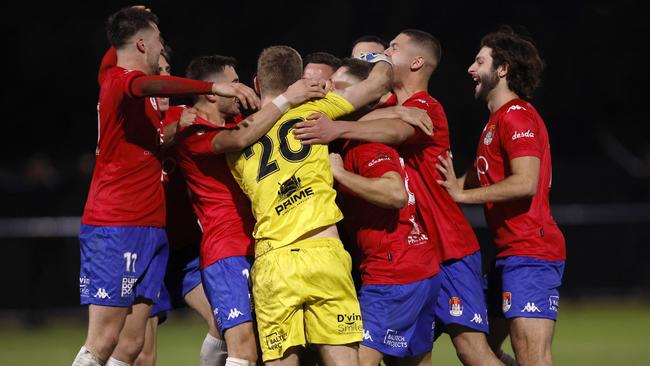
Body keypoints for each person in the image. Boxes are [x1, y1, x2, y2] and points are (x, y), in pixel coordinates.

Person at [293, 29, 504, 366]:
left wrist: (337, 129)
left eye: (393, 47)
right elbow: (368, 114)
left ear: (417, 61)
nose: (385, 53)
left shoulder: (425, 107)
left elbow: (394, 132)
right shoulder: (394, 106)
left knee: (471, 351)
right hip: (413, 251)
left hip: (448, 247)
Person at [74, 7, 259, 366]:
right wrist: (211, 87)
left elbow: (127, 46)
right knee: (104, 340)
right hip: (117, 225)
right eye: (158, 40)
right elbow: (143, 79)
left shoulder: (156, 111)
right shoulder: (119, 81)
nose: (164, 50)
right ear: (142, 44)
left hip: (153, 231)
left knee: (130, 347)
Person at [227, 45, 393, 365]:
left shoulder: (235, 140)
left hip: (274, 261)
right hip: (323, 251)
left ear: (258, 84)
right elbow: (379, 84)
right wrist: (382, 56)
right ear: (299, 83)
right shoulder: (315, 112)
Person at [171, 54, 328, 366]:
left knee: (258, 343)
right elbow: (241, 137)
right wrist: (286, 99)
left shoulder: (238, 121)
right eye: (233, 83)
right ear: (212, 92)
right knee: (242, 347)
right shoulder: (194, 134)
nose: (240, 89)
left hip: (260, 245)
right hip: (225, 251)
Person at [436, 26, 566, 366]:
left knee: (532, 357)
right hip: (508, 255)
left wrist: (461, 198)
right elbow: (466, 182)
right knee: (477, 351)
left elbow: (525, 183)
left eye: (479, 61)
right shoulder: (494, 124)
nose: (470, 69)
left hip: (531, 254)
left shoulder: (517, 115)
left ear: (503, 69)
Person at [328, 60, 441, 366]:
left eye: (337, 87)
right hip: (418, 265)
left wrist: (340, 176)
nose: (328, 92)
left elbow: (395, 193)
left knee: (356, 361)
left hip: (393, 272)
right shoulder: (357, 134)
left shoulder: (363, 145)